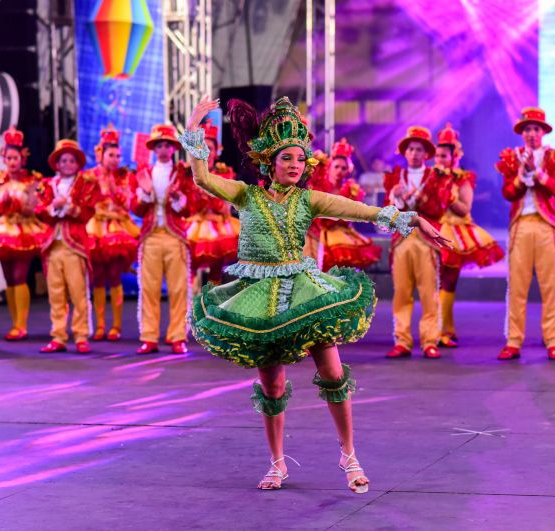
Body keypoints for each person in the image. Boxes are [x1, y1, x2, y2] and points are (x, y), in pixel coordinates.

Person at [181, 96, 449, 492]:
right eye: (286, 158)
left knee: (334, 373)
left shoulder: (310, 199)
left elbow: (360, 210)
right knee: (271, 386)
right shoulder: (245, 195)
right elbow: (203, 178)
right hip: (259, 298)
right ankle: (276, 463)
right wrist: (193, 124)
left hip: (305, 295)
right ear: (269, 162)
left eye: (300, 159)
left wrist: (411, 219)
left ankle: (349, 455)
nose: (294, 165)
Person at [496, 108, 555, 361]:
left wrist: (537, 173)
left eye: (535, 129)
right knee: (517, 285)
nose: (531, 134)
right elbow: (507, 193)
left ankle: (552, 340)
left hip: (546, 225)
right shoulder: (512, 157)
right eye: (526, 129)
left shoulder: (554, 157)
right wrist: (520, 177)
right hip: (521, 224)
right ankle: (514, 340)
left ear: (543, 132)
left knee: (550, 286)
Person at [433, 124, 504, 347]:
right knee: (432, 281)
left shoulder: (463, 178)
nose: (439, 160)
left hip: (456, 231)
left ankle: (446, 329)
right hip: (432, 229)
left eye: (443, 155)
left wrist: (449, 198)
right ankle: (435, 329)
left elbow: (465, 208)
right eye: (437, 155)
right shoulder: (429, 176)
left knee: (449, 281)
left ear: (454, 156)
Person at [132, 124, 197, 355]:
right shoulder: (144, 174)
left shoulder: (182, 173)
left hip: (174, 236)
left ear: (173, 148)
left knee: (179, 288)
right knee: (148, 289)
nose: (163, 149)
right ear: (153, 148)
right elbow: (136, 209)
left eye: (167, 145)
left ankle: (178, 336)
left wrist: (179, 199)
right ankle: (149, 336)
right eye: (159, 145)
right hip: (150, 236)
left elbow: (189, 208)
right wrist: (145, 196)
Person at [383, 126, 445, 359]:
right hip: (401, 241)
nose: (415, 153)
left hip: (427, 242)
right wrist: (396, 197)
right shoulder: (395, 178)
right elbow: (386, 213)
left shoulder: (435, 177)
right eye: (411, 149)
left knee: (429, 292)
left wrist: (415, 199)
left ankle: (430, 340)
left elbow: (438, 208)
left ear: (426, 153)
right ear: (405, 152)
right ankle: (403, 340)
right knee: (402, 292)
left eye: (419, 149)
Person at [0, 126, 50, 341]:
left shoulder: (32, 180)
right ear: (4, 158)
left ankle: (22, 324)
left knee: (21, 276)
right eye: (9, 158)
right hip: (4, 228)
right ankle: (14, 322)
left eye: (16, 158)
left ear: (23, 158)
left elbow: (36, 209)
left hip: (24, 229)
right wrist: (2, 204)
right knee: (9, 278)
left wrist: (25, 203)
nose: (12, 162)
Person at [36, 140, 98, 354]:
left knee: (78, 293)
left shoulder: (85, 184)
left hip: (75, 245)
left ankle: (81, 335)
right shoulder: (48, 185)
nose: (68, 164)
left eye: (72, 160)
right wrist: (54, 207)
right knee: (56, 294)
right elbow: (40, 212)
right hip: (53, 245)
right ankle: (58, 335)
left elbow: (87, 212)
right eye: (64, 160)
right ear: (57, 164)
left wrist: (69, 207)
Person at [85, 126, 140, 342]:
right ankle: (100, 325)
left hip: (117, 227)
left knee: (115, 276)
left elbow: (127, 204)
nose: (115, 159)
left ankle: (116, 326)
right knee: (98, 278)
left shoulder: (123, 177)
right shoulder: (90, 176)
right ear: (101, 154)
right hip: (96, 227)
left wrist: (118, 192)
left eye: (118, 155)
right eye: (111, 155)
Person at [310, 138, 381, 272]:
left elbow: (353, 215)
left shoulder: (352, 189)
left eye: (344, 168)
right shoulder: (318, 186)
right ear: (329, 167)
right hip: (320, 233)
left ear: (348, 170)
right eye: (336, 166)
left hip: (344, 233)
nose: (340, 171)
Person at [186, 119, 241, 284]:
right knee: (190, 270)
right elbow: (190, 207)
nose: (206, 152)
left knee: (216, 271)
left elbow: (223, 207)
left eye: (210, 148)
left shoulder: (225, 175)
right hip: (195, 226)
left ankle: (211, 305)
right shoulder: (189, 176)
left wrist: (208, 188)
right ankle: (191, 305)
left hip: (218, 226)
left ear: (217, 152)